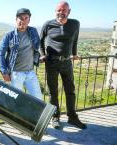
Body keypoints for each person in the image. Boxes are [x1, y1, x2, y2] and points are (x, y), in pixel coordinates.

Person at [40, 1, 87, 129]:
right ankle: (55, 117)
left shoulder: (75, 24)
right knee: (53, 92)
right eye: (59, 10)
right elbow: (40, 40)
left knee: (70, 90)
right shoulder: (48, 24)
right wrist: (42, 54)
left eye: (64, 10)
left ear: (69, 11)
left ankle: (72, 117)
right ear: (55, 11)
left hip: (67, 62)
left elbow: (75, 39)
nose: (61, 13)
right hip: (51, 62)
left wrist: (74, 53)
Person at [0, 8, 42, 100]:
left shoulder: (33, 31)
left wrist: (39, 57)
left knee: (38, 99)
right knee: (15, 100)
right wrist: (4, 72)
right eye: (21, 18)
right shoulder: (9, 36)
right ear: (16, 19)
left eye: (26, 18)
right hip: (15, 74)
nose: (23, 21)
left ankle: (33, 115)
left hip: (30, 72)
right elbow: (1, 54)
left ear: (29, 20)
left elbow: (37, 47)